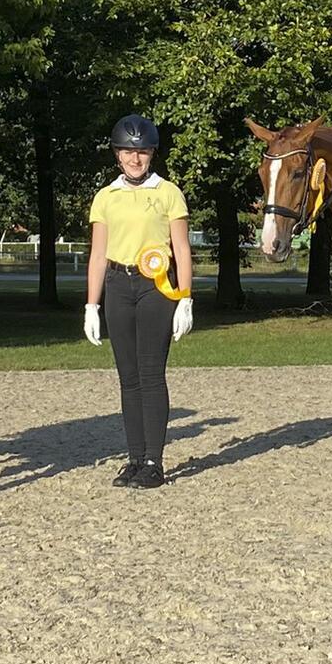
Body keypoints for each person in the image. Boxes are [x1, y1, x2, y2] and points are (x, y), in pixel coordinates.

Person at [83, 115, 195, 488]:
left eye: (142, 152)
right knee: (127, 378)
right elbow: (98, 254)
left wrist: (185, 298)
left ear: (152, 155)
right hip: (117, 283)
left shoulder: (168, 193)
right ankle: (133, 457)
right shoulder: (105, 197)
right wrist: (91, 305)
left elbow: (180, 248)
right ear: (117, 155)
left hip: (155, 288)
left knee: (150, 374)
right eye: (129, 152)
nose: (135, 159)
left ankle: (154, 460)